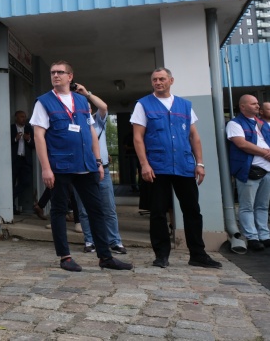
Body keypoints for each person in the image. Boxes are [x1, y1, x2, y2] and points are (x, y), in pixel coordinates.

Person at [30, 61, 132, 272]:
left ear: (70, 76)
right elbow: (39, 136)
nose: (55, 75)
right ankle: (65, 257)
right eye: (52, 72)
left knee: (96, 210)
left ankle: (105, 257)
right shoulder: (44, 102)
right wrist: (46, 168)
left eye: (60, 72)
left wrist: (98, 162)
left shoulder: (81, 100)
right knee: (59, 211)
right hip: (60, 166)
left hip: (86, 165)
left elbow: (91, 132)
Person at [131, 67, 221, 269]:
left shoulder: (185, 105)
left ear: (171, 81)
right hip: (157, 166)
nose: (158, 82)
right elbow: (138, 137)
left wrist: (200, 163)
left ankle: (198, 254)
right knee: (158, 212)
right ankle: (161, 255)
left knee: (192, 210)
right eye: (154, 79)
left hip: (184, 165)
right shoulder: (143, 104)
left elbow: (194, 136)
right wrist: (144, 164)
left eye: (162, 79)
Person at [69, 83, 127, 255]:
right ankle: (90, 241)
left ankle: (114, 241)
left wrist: (86, 93)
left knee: (108, 208)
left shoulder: (97, 121)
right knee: (84, 209)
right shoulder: (72, 122)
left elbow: (104, 107)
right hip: (81, 169)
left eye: (86, 106)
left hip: (103, 170)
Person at [227, 95, 270, 251]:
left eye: (257, 103)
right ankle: (252, 237)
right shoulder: (234, 123)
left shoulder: (262, 123)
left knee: (263, 206)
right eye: (253, 104)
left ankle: (264, 236)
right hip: (249, 171)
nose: (257, 106)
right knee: (247, 206)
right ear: (242, 106)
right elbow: (242, 144)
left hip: (267, 170)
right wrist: (265, 153)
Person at [11, 110, 34, 215]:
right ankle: (12, 207)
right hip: (15, 160)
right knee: (11, 182)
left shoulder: (29, 129)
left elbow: (34, 145)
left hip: (25, 160)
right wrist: (15, 139)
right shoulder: (11, 128)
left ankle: (12, 195)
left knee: (26, 182)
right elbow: (6, 142)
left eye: (24, 117)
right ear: (16, 118)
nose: (23, 119)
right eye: (21, 117)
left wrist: (28, 140)